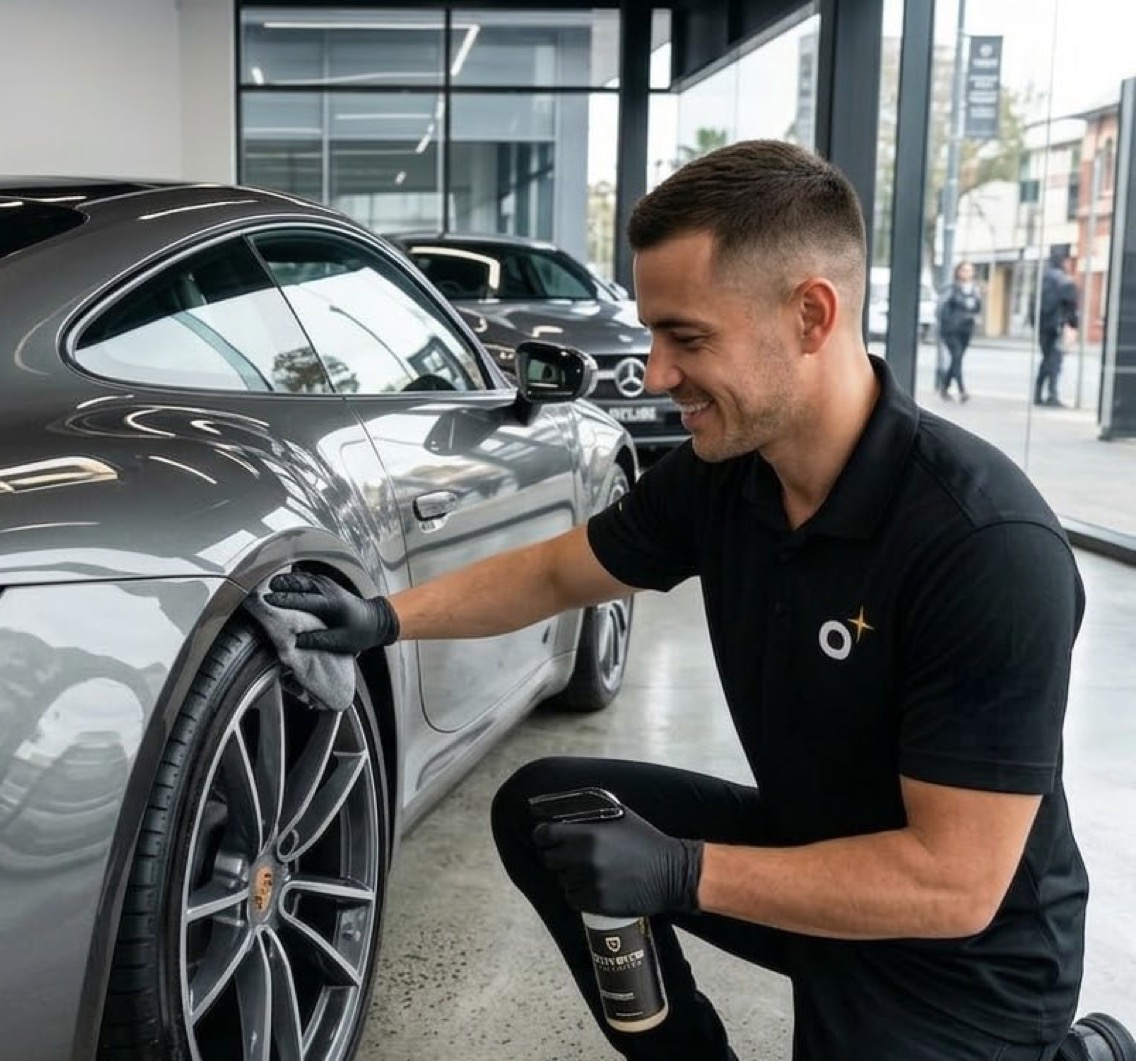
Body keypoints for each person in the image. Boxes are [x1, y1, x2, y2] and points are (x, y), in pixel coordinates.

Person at [264, 140, 1128, 1060]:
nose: (654, 374)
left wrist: (687, 872)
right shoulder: (729, 478)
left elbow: (954, 883)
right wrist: (385, 621)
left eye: (687, 336)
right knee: (552, 811)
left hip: (960, 961)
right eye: (652, 335)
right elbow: (560, 572)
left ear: (810, 315)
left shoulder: (984, 544)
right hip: (807, 849)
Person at [1037, 250, 1080, 407]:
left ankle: (1037, 393)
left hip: (1043, 327)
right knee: (1055, 361)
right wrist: (1074, 325)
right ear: (1064, 262)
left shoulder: (1043, 279)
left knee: (1046, 358)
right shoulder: (1065, 281)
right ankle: (1052, 395)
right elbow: (1072, 306)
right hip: (1058, 326)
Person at [937, 261, 983, 402]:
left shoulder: (975, 290)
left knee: (957, 360)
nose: (967, 273)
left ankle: (944, 387)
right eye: (964, 270)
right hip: (952, 331)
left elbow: (977, 308)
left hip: (966, 330)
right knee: (956, 357)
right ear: (958, 272)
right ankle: (963, 390)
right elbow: (942, 309)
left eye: (969, 270)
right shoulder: (951, 289)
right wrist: (948, 323)